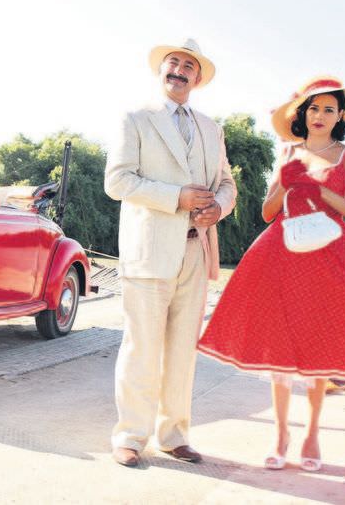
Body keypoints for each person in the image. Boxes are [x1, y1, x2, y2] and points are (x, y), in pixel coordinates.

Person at [197, 76, 345, 472]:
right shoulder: (288, 152)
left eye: (329, 109)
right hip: (283, 254)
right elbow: (267, 212)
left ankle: (312, 434)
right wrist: (287, 183)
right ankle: (280, 435)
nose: (320, 115)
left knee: (318, 346)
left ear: (340, 115)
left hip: (330, 256)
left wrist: (322, 191)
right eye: (314, 108)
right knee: (279, 346)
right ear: (303, 113)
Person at [104, 38, 237, 467]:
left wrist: (219, 207)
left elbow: (227, 184)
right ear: (161, 70)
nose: (179, 70)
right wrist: (176, 196)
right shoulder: (135, 119)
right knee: (141, 347)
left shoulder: (212, 129)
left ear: (197, 79)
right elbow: (118, 182)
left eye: (188, 66)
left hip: (196, 251)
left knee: (182, 350)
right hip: (148, 250)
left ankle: (174, 435)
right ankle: (130, 436)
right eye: (173, 62)